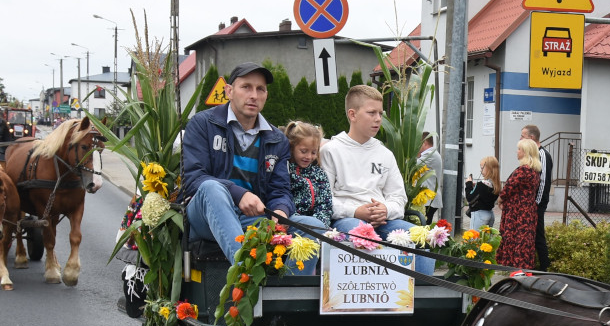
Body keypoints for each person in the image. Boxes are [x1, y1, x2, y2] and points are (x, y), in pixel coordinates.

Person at [180, 63, 294, 261]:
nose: (254, 95)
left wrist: (280, 210)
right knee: (211, 187)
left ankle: (288, 282)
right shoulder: (202, 124)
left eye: (260, 89)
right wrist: (238, 194)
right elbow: (193, 179)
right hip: (205, 218)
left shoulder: (278, 139)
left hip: (252, 220)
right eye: (246, 87)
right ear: (229, 91)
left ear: (266, 95)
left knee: (313, 226)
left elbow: (281, 190)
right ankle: (243, 272)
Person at [321, 84, 434, 274]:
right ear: (352, 114)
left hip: (384, 221)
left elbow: (398, 197)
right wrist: (356, 211)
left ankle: (423, 291)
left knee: (420, 238)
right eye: (371, 113)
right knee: (361, 234)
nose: (378, 119)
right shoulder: (331, 150)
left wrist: (385, 210)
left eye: (380, 113)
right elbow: (324, 199)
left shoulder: (384, 153)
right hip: (347, 220)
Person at [496, 139, 542, 268]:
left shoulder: (523, 170)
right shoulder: (534, 171)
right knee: (525, 240)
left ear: (525, 152)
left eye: (519, 149)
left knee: (514, 238)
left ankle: (512, 266)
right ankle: (524, 267)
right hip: (528, 210)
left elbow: (508, 188)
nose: (517, 151)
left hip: (517, 212)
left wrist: (500, 199)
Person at [283, 121, 334, 228]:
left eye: (313, 152)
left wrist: (320, 223)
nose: (309, 157)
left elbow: (325, 204)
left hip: (318, 225)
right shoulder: (285, 171)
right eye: (303, 151)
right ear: (292, 147)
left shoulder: (319, 173)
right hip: (292, 221)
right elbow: (284, 200)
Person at [521, 124, 553, 270]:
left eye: (523, 136)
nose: (520, 139)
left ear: (532, 138)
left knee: (538, 236)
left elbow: (544, 181)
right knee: (529, 236)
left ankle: (545, 268)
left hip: (537, 204)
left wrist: (536, 204)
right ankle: (530, 266)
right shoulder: (531, 155)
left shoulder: (542, 155)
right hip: (529, 204)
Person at [464, 157, 500, 230]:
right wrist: (475, 187)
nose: (480, 170)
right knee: (486, 237)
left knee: (474, 237)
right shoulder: (495, 185)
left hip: (479, 215)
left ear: (489, 169)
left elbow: (470, 198)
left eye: (482, 168)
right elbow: (483, 195)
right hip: (490, 214)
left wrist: (468, 184)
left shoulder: (482, 184)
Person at [415, 132, 442, 223]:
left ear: (424, 143)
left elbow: (413, 165)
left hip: (428, 199)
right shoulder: (430, 154)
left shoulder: (430, 154)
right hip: (427, 199)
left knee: (423, 224)